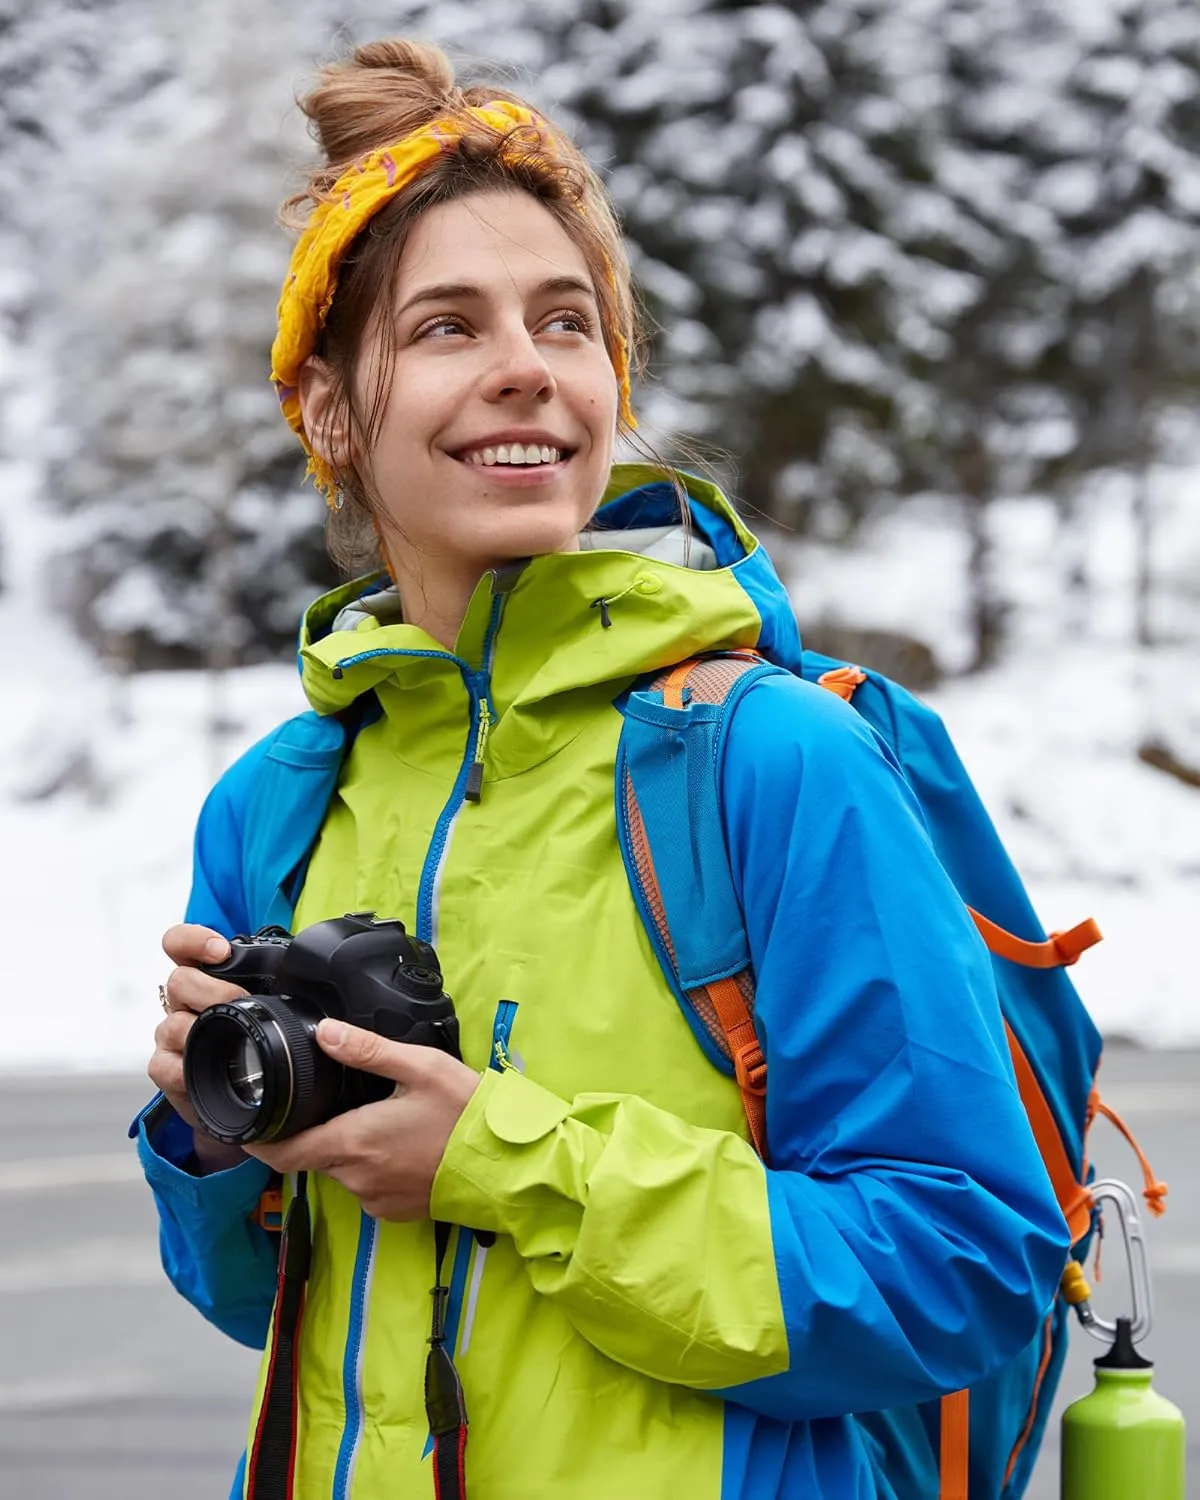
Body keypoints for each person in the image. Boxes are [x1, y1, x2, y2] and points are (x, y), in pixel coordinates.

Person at [134, 36, 1070, 1500]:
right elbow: (277, 1310)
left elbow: (964, 1266)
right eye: (447, 328)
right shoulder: (279, 801)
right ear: (327, 408)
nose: (527, 370)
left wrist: (509, 1161)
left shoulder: (766, 760)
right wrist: (218, 1143)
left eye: (566, 324)